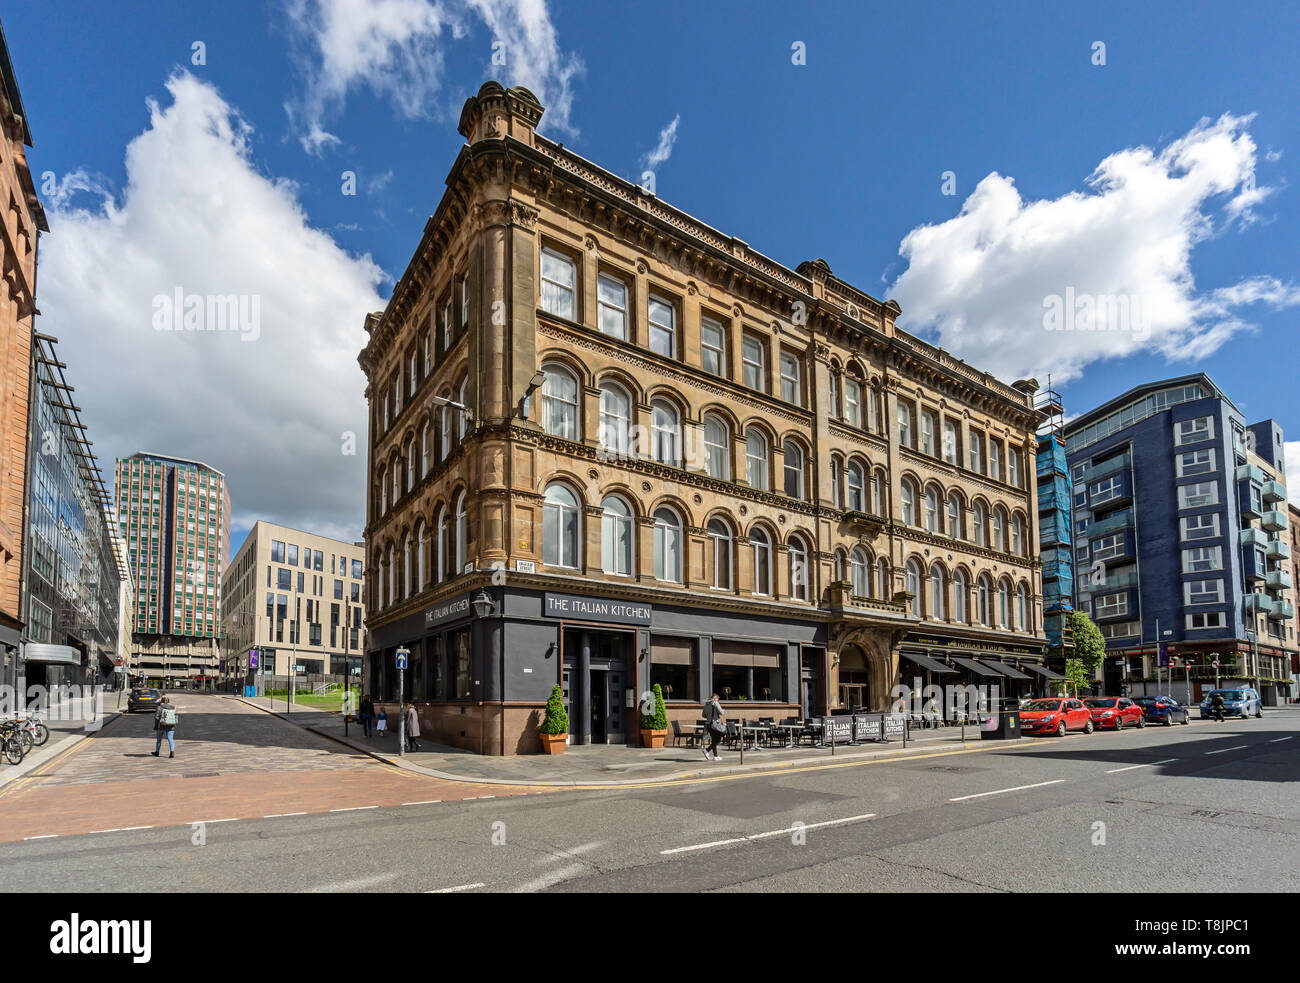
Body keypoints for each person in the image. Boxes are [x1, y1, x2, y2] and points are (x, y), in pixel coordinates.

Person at [702, 693, 726, 761]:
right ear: (716, 698)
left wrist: (709, 715)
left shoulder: (706, 704)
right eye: (718, 699)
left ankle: (715, 756)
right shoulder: (715, 703)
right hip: (715, 724)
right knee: (718, 740)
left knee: (714, 740)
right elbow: (721, 712)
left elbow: (703, 715)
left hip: (709, 724)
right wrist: (722, 711)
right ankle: (707, 750)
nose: (718, 701)